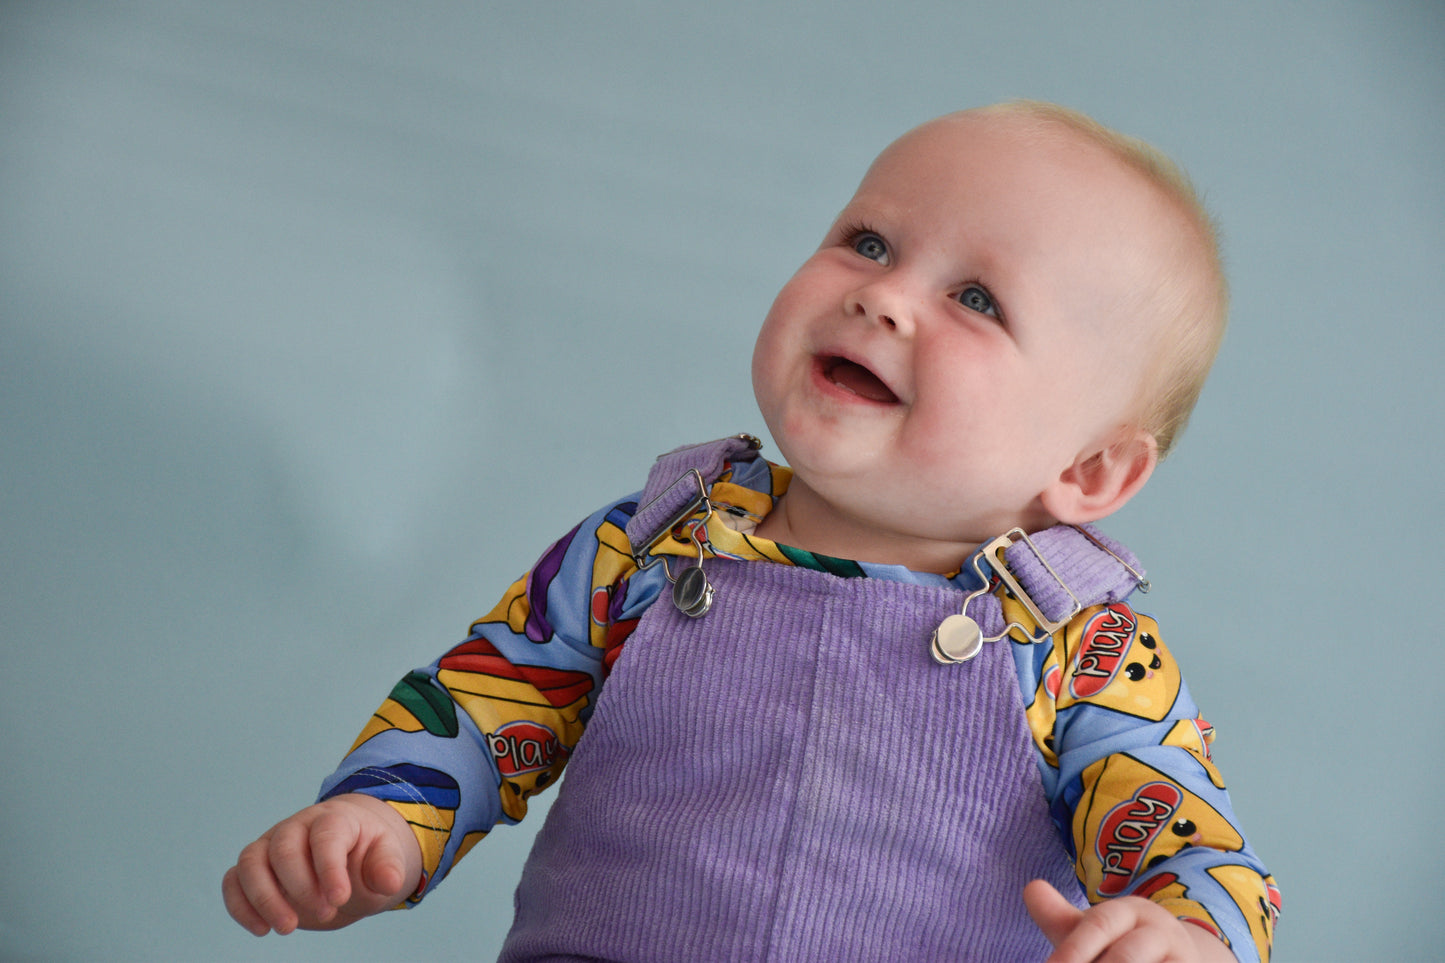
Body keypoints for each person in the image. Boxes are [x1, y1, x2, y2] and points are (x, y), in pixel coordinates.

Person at [223, 101, 1279, 962]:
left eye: (974, 299)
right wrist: (378, 820)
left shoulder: (1080, 651)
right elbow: (487, 696)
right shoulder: (646, 548)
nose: (882, 297)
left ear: (1087, 470)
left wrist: (1183, 932)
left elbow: (1176, 828)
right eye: (868, 243)